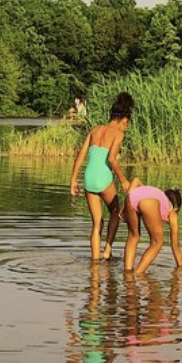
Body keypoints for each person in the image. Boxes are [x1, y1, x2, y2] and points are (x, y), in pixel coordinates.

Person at [69, 92, 133, 261]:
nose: (125, 128)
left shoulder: (94, 130)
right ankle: (107, 251)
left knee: (97, 224)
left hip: (88, 178)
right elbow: (112, 159)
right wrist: (123, 180)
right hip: (103, 178)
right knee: (115, 211)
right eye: (127, 125)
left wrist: (73, 180)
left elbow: (80, 155)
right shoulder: (118, 134)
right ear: (124, 120)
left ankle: (95, 262)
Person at [122, 179, 182, 275]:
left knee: (133, 236)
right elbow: (175, 245)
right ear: (176, 207)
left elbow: (136, 181)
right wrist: (180, 266)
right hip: (148, 202)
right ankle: (138, 273)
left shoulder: (157, 193)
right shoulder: (173, 212)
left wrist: (124, 208)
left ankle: (127, 273)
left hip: (130, 197)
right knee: (157, 242)